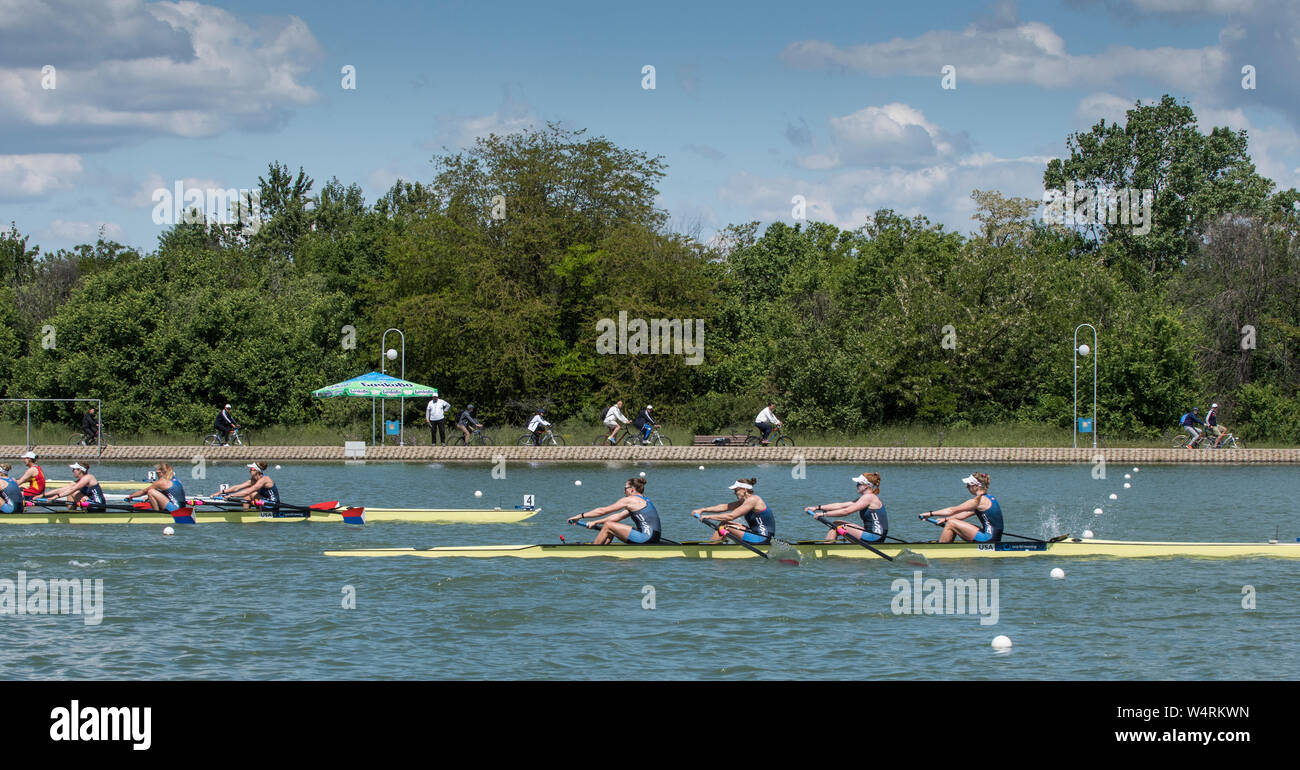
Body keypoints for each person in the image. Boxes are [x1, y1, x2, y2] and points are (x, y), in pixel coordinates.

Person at [568, 477, 662, 544]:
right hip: (654, 537)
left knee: (609, 525)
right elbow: (617, 516)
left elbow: (602, 511)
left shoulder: (630, 500)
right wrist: (595, 522)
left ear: (632, 490)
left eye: (625, 488)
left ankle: (594, 550)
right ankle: (604, 547)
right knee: (611, 524)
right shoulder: (644, 500)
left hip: (646, 538)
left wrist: (579, 516)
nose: (624, 491)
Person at [808, 472, 888, 544]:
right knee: (836, 523)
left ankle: (827, 550)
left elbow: (846, 511)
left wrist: (823, 514)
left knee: (836, 526)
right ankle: (829, 547)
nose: (856, 485)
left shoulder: (869, 497)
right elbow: (841, 505)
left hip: (874, 537)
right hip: (874, 535)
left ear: (866, 485)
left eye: (859, 484)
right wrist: (817, 507)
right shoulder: (865, 498)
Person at [924, 472, 1003, 544]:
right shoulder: (989, 497)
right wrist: (945, 519)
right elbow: (965, 514)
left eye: (968, 485)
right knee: (951, 521)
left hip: (987, 539)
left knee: (951, 523)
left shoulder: (978, 501)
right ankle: (946, 544)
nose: (966, 487)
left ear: (976, 486)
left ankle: (940, 549)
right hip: (994, 536)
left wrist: (930, 513)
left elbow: (951, 510)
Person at [692, 478, 775, 544]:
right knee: (724, 523)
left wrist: (708, 516)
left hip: (761, 538)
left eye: (736, 490)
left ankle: (712, 547)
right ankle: (718, 544)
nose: (734, 493)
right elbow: (724, 507)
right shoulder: (745, 501)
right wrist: (702, 510)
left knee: (724, 527)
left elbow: (731, 516)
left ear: (744, 490)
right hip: (755, 533)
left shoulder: (753, 500)